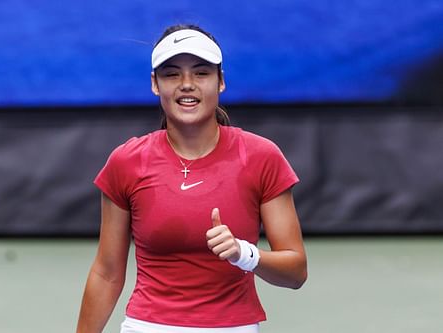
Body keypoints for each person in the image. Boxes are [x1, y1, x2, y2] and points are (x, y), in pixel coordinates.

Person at [76, 24, 307, 333]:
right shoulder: (127, 162)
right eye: (172, 74)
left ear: (221, 82)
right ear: (155, 85)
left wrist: (244, 254)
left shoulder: (261, 157)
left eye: (201, 73)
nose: (187, 84)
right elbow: (107, 273)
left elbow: (296, 272)